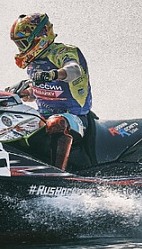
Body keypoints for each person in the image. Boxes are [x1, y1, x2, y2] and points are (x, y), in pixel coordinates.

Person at [8, 13, 92, 170]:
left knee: (56, 123)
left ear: (40, 36)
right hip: (43, 118)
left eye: (23, 43)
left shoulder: (61, 52)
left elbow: (74, 70)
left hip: (75, 119)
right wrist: (27, 93)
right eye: (18, 45)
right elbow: (45, 90)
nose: (21, 49)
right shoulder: (34, 63)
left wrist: (54, 74)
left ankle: (57, 174)